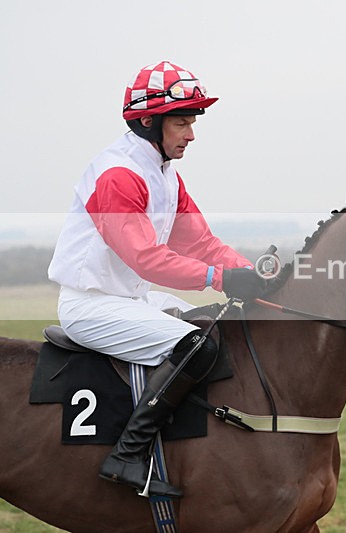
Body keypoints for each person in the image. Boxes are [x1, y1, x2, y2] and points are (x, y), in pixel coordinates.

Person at [48, 60, 266, 498]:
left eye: (192, 122)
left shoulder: (165, 174)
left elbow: (201, 243)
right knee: (195, 346)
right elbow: (147, 259)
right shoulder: (118, 175)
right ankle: (127, 454)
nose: (191, 134)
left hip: (129, 301)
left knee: (212, 324)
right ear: (149, 121)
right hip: (90, 306)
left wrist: (251, 273)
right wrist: (220, 278)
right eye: (182, 122)